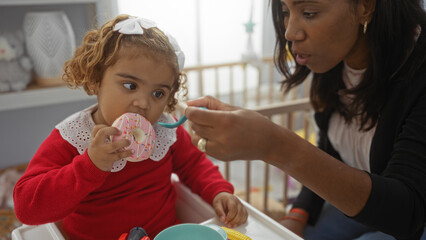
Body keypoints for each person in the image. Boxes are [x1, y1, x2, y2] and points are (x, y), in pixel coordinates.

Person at [185, 0, 426, 239]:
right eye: (285, 12)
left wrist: (276, 145)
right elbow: (330, 151)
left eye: (309, 12)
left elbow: (408, 213)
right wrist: (299, 212)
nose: (290, 32)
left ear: (365, 7)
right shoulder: (332, 66)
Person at [13, 14, 247, 240]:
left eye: (158, 93)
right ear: (96, 80)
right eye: (129, 85)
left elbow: (195, 165)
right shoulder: (73, 137)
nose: (144, 103)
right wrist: (90, 166)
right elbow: (26, 207)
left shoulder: (164, 129)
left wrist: (219, 191)